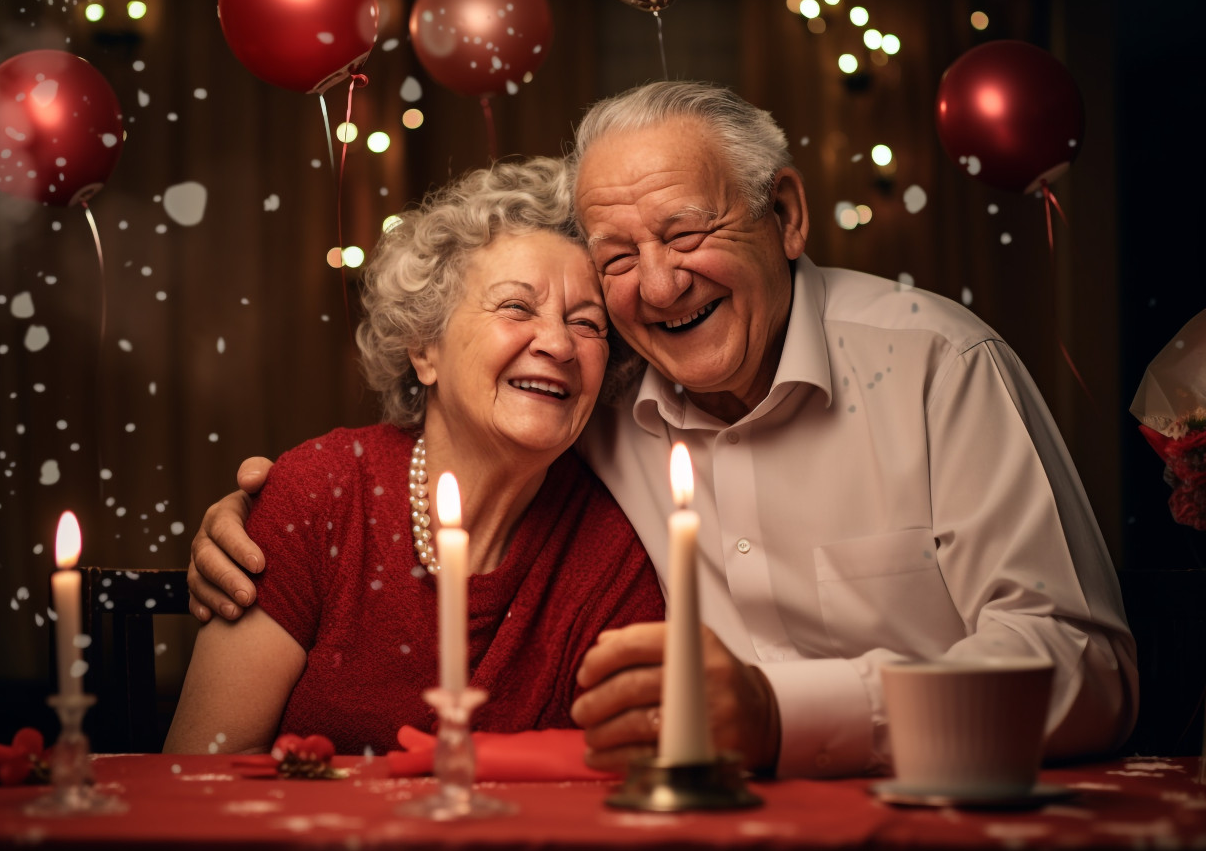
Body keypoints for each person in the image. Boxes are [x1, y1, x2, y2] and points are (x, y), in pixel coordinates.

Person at [185, 81, 1138, 777]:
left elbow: (1088, 669)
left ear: (788, 215)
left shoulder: (940, 366)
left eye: (686, 233)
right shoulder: (597, 413)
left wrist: (787, 715)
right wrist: (259, 510)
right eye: (617, 261)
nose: (659, 284)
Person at [164, 157, 664, 756]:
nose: (558, 344)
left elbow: (623, 793)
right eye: (516, 308)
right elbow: (203, 773)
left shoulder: (615, 551)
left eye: (587, 323)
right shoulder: (321, 495)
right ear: (424, 347)